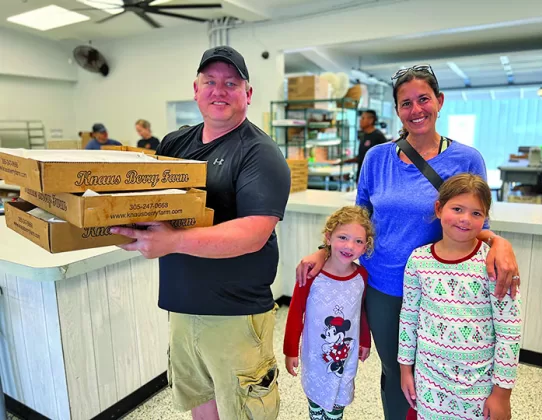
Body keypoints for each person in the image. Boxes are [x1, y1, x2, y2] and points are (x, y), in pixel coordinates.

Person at [296, 64, 520, 420]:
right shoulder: (377, 158)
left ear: (439, 101)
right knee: (397, 373)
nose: (416, 110)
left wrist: (500, 243)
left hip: (442, 288)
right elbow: (359, 219)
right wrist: (325, 251)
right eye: (406, 103)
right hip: (384, 285)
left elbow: (478, 221)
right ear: (397, 109)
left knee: (437, 373)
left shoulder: (466, 158)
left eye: (423, 99)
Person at [111, 45, 291, 420]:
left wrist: (173, 241)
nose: (219, 90)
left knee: (245, 411)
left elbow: (254, 233)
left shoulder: (260, 153)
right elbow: (150, 202)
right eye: (210, 81)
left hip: (235, 315)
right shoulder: (175, 143)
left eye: (231, 82)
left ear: (248, 93)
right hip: (181, 306)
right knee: (200, 404)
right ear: (195, 90)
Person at [398, 173, 521, 420]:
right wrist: (405, 370)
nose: (466, 219)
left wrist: (501, 394)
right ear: (439, 208)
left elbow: (509, 331)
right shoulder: (418, 260)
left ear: (485, 218)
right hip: (429, 382)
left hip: (477, 387)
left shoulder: (494, 264)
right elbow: (409, 318)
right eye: (457, 209)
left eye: (476, 213)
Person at [284, 206, 374, 420]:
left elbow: (361, 312)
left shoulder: (362, 276)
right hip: (315, 353)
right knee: (315, 395)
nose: (349, 246)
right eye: (343, 237)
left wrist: (365, 341)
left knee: (338, 401)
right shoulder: (312, 274)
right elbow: (295, 312)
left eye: (358, 241)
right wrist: (290, 351)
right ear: (328, 237)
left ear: (365, 247)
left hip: (345, 356)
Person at [345, 110, 387, 181]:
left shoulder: (378, 136)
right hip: (361, 178)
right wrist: (345, 161)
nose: (360, 121)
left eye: (363, 118)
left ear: (371, 120)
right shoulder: (364, 136)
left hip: (373, 179)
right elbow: (361, 157)